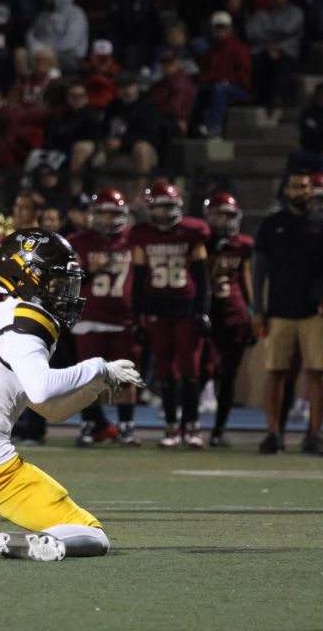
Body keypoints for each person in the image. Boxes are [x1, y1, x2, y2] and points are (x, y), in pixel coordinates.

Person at [0, 229, 143, 560]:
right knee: (92, 534)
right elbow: (43, 387)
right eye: (56, 282)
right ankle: (46, 543)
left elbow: (50, 409)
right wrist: (97, 368)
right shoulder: (28, 320)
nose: (64, 292)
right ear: (27, 277)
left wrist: (94, 386)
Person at [252, 173, 323, 456]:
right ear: (286, 190)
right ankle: (273, 433)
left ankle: (314, 434)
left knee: (319, 373)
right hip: (279, 309)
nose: (300, 191)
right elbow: (259, 268)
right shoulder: (272, 224)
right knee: (275, 372)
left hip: (315, 312)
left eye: (305, 186)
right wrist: (259, 310)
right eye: (295, 186)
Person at [130, 181, 211, 449]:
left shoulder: (193, 231)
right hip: (157, 307)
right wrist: (137, 317)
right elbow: (139, 279)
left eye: (169, 207)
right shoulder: (142, 234)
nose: (165, 213)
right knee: (165, 370)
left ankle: (192, 424)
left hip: (186, 307)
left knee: (190, 369)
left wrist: (203, 311)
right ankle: (171, 425)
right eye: (160, 207)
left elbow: (202, 277)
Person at [72, 188, 139, 446]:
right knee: (89, 379)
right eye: (105, 213)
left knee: (124, 377)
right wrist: (89, 269)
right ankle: (89, 424)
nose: (110, 219)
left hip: (123, 318)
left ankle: (126, 426)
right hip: (90, 316)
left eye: (114, 213)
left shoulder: (133, 240)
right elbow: (70, 281)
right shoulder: (80, 241)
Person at [202, 192, 255, 447]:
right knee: (202, 370)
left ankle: (219, 429)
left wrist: (252, 312)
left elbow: (245, 279)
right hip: (206, 313)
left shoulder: (243, 244)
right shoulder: (201, 242)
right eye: (218, 215)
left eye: (228, 216)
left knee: (228, 374)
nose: (223, 221)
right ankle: (187, 426)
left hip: (234, 315)